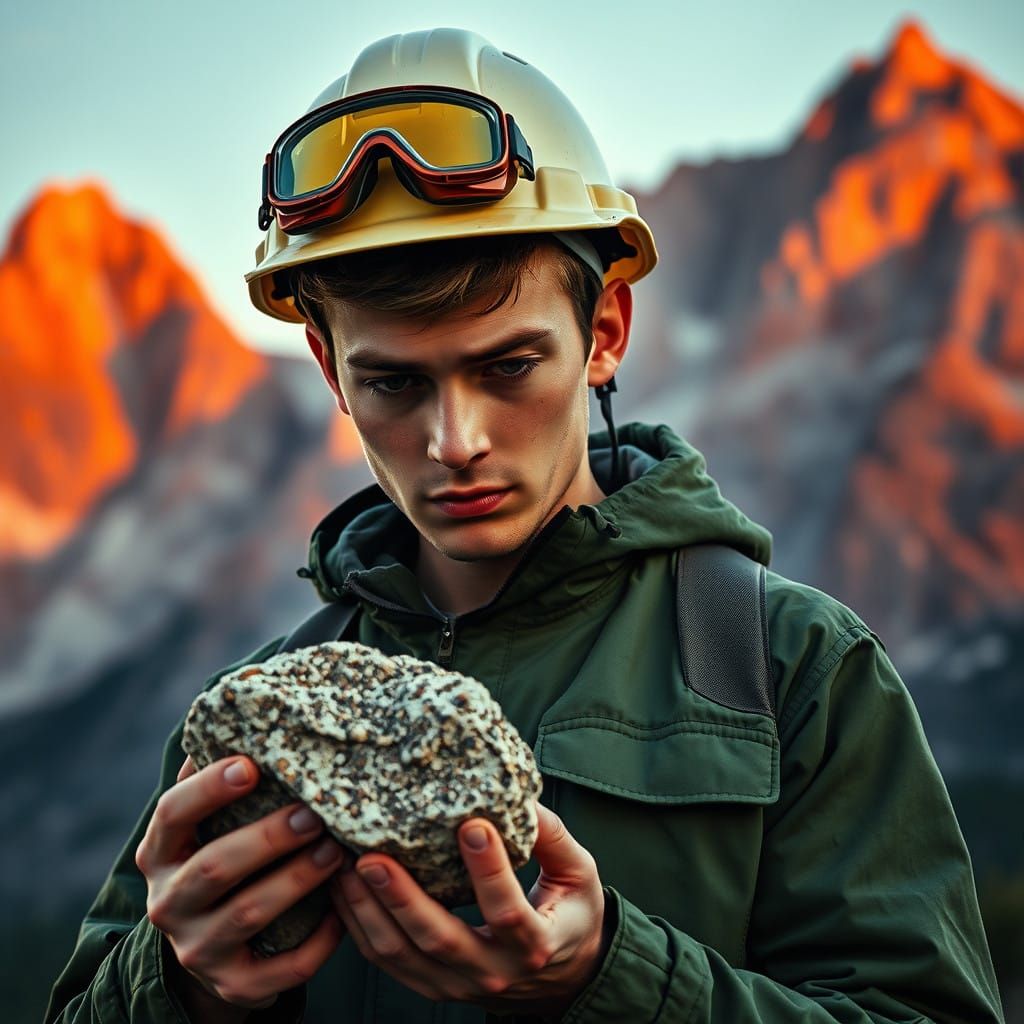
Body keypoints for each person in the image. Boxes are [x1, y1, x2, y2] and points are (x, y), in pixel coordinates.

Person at [47, 27, 1003, 1024]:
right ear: (330, 372)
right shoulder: (250, 720)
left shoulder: (792, 668)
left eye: (507, 366)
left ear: (605, 334)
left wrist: (610, 978)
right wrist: (180, 987)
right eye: (393, 382)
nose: (452, 441)